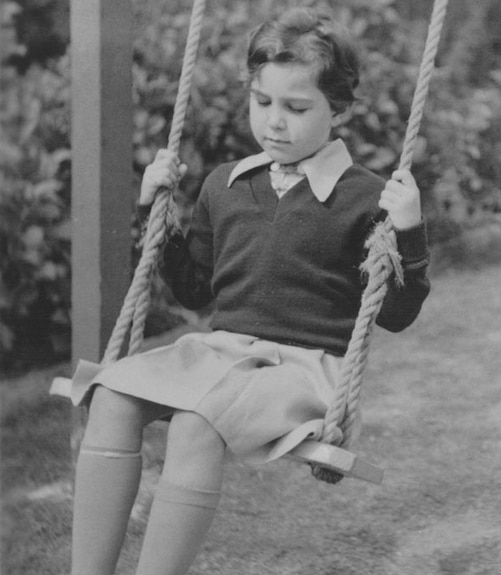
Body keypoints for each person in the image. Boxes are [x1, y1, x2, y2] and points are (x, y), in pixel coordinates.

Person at [68, 8, 430, 575]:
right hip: (223, 356)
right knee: (110, 394)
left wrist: (407, 230)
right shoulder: (226, 185)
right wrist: (152, 209)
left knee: (196, 421)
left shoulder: (369, 199)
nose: (275, 123)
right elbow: (192, 291)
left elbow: (397, 314)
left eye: (296, 107)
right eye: (263, 103)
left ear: (338, 108)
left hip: (303, 367)